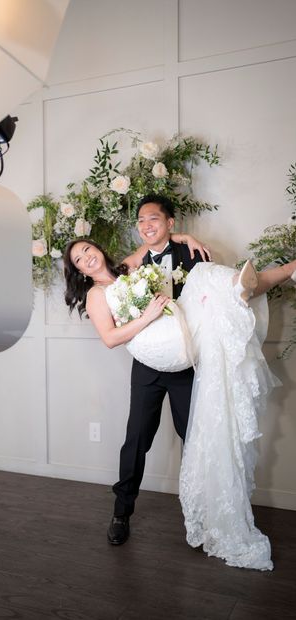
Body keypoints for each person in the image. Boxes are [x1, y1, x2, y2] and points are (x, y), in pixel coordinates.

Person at [63, 200, 296, 571]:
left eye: (87, 250)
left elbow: (154, 246)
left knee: (197, 437)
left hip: (184, 363)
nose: (87, 259)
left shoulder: (128, 266)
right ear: (77, 270)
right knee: (136, 440)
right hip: (148, 370)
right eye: (78, 260)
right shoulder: (95, 295)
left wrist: (182, 235)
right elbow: (110, 338)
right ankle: (121, 514)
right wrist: (149, 316)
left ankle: (205, 515)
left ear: (98, 250)